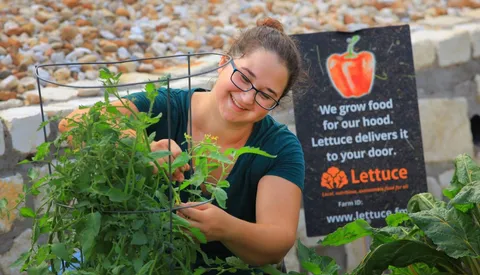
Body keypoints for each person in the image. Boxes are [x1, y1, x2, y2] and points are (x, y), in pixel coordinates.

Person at [59, 17, 306, 274]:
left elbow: (276, 243)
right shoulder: (167, 106)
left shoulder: (280, 147)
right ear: (224, 63)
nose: (246, 98)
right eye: (244, 78)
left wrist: (226, 228)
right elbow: (73, 125)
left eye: (266, 95)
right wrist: (139, 148)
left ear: (276, 103)